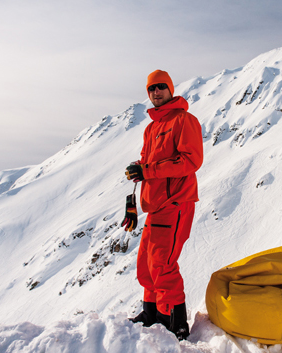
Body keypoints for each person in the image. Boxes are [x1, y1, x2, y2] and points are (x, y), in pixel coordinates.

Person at [122, 69, 203, 340]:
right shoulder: (152, 127)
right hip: (155, 206)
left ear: (170, 89)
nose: (156, 92)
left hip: (175, 203)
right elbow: (150, 166)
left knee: (163, 263)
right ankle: (152, 312)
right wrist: (136, 183)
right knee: (146, 264)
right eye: (151, 89)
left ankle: (175, 321)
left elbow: (191, 161)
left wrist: (148, 170)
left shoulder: (183, 120)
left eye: (160, 87)